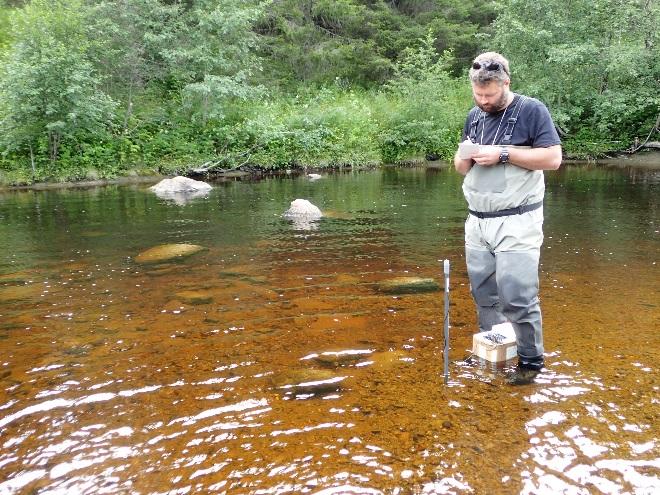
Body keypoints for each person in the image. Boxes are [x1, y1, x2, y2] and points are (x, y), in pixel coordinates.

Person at [453, 51, 562, 385]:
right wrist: (466, 158)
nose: (483, 100)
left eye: (489, 94)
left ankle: (531, 364)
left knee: (517, 296)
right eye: (478, 94)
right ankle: (494, 351)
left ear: (505, 83)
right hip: (478, 221)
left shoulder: (531, 110)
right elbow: (461, 168)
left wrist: (502, 153)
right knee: (484, 294)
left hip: (517, 220)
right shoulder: (474, 115)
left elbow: (553, 158)